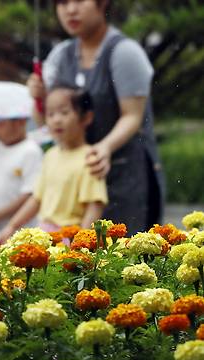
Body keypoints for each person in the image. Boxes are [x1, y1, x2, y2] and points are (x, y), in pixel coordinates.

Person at [27, 0, 164, 234]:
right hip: (77, 188)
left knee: (123, 257)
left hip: (124, 178)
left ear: (102, 4)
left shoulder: (125, 52)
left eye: (79, 1)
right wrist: (37, 99)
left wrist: (104, 147)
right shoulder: (60, 55)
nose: (70, 10)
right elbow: (44, 122)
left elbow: (132, 116)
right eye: (62, 3)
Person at [0, 87, 107, 244]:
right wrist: (12, 226)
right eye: (50, 114)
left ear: (86, 118)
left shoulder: (90, 157)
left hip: (70, 237)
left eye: (64, 112)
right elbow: (36, 199)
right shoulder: (50, 155)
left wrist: (82, 243)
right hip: (44, 235)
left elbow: (95, 204)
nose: (56, 120)